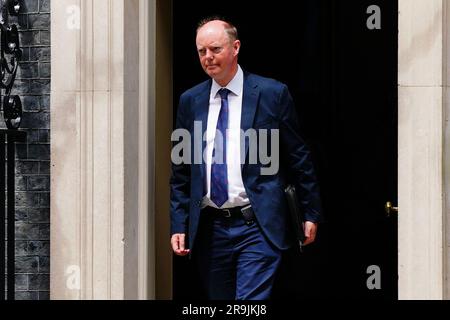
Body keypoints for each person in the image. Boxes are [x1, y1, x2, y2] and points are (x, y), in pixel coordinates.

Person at [170, 16, 323, 300]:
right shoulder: (190, 101)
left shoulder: (271, 93)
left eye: (215, 49)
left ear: (235, 47)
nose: (208, 57)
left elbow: (297, 156)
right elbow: (181, 169)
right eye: (201, 51)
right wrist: (179, 223)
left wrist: (310, 211)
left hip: (258, 224)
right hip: (210, 229)